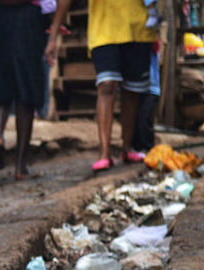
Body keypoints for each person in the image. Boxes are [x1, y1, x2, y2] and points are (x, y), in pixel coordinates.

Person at [47, 0, 156, 173]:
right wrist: (53, 35)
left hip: (138, 27)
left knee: (132, 90)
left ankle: (127, 148)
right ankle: (104, 152)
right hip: (103, 30)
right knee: (106, 85)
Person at [0, 0, 54, 180]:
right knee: (27, 86)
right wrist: (52, 24)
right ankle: (20, 166)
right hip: (30, 17)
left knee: (3, 75)